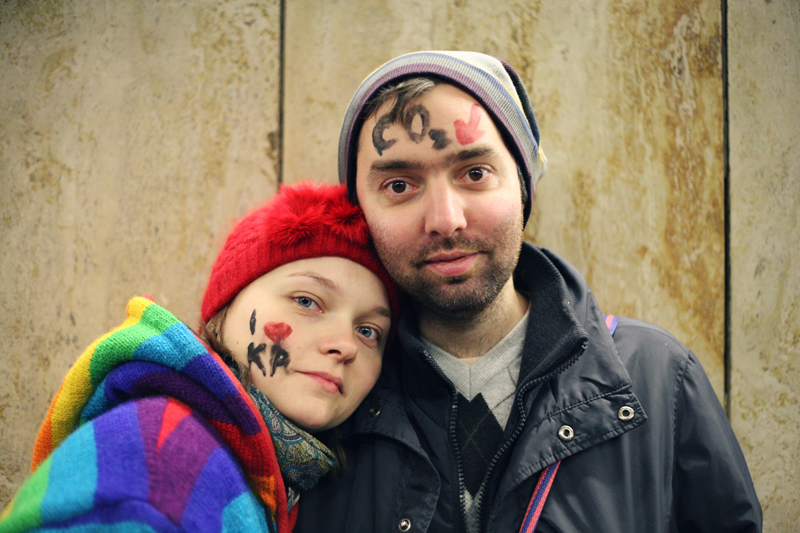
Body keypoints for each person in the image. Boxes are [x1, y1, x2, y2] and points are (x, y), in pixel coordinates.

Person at [294, 51, 762, 532]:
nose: (444, 219)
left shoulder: (659, 377)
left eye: (474, 173)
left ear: (523, 183)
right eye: (398, 185)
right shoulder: (324, 396)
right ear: (359, 212)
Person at [0, 182, 400, 533]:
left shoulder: (276, 480)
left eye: (369, 332)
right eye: (307, 301)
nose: (346, 345)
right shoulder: (160, 460)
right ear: (224, 309)